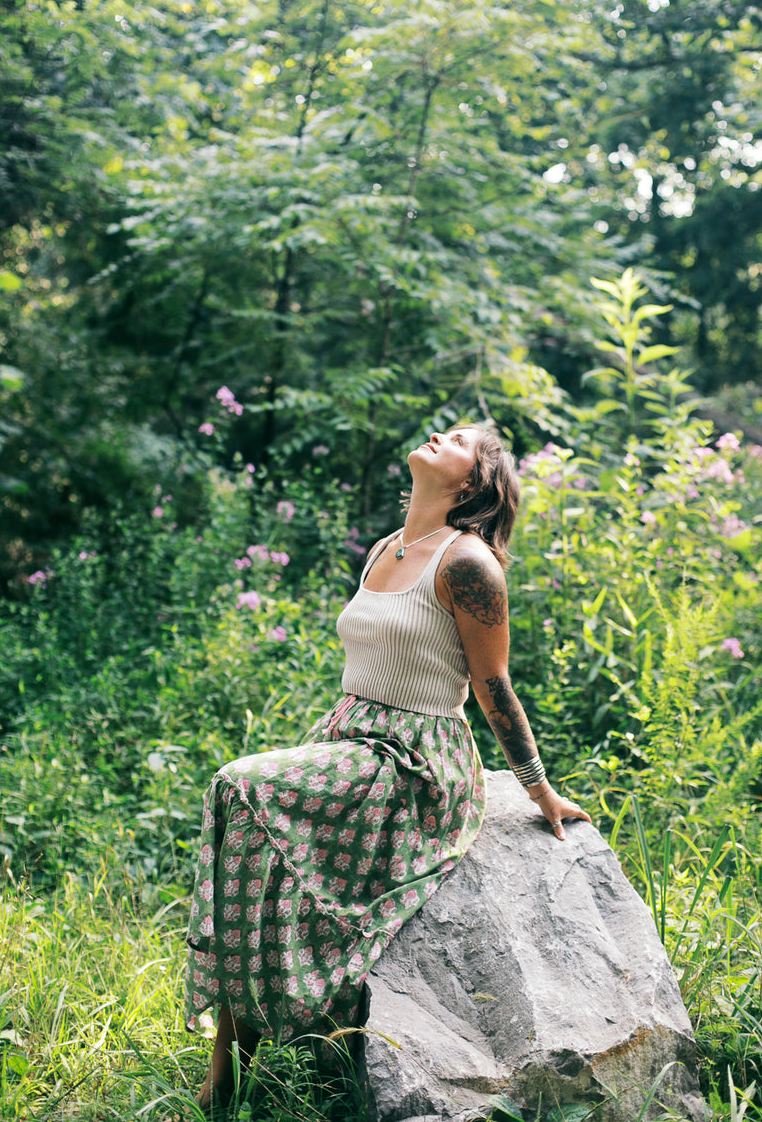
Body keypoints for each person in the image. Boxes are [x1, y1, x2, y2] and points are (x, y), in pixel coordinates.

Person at [184, 424, 591, 1108]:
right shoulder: (384, 548)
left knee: (238, 785)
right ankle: (227, 1067)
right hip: (351, 733)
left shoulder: (469, 564)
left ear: (471, 484)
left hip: (414, 762)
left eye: (459, 439)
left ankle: (229, 1076)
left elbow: (493, 687)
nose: (439, 433)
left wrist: (537, 789)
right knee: (243, 818)